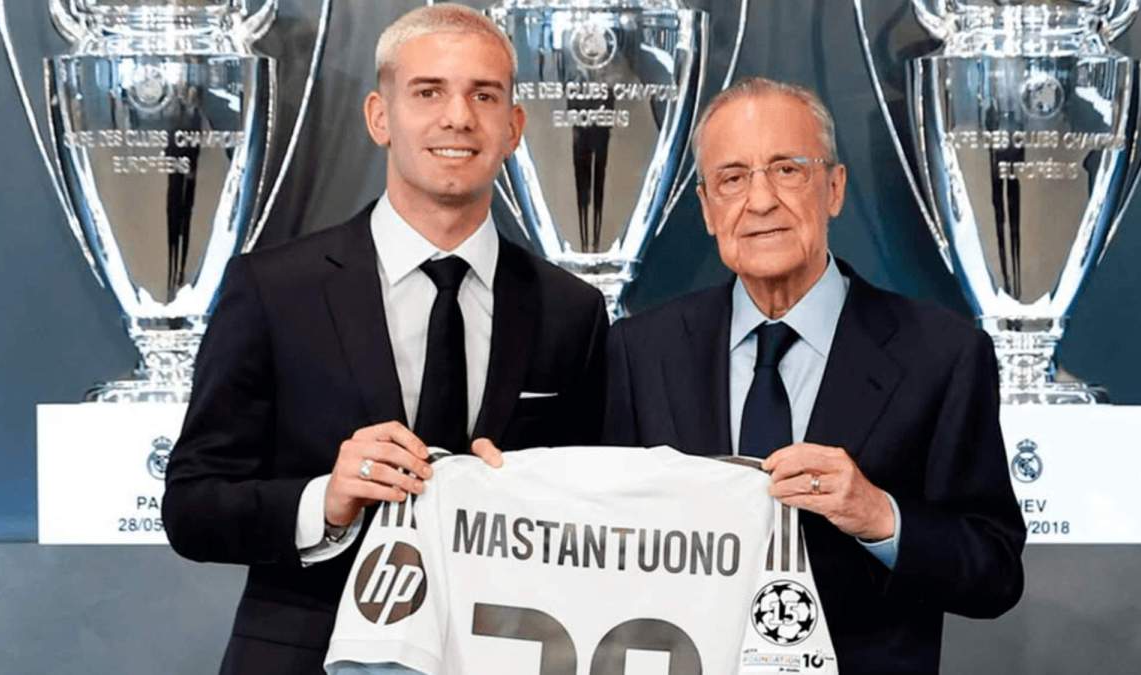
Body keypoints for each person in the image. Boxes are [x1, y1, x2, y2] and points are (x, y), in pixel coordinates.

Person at [162, 5, 608, 674]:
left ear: (514, 127)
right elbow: (192, 505)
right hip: (307, 656)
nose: (458, 116)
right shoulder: (274, 290)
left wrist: (534, 499)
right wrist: (325, 500)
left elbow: (597, 517)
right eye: (428, 92)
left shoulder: (572, 310)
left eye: (484, 95)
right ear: (380, 117)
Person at [603, 77, 1026, 675]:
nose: (760, 201)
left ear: (834, 188)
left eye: (787, 170)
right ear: (707, 209)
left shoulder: (943, 355)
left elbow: (995, 573)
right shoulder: (640, 350)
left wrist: (880, 516)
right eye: (732, 178)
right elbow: (596, 538)